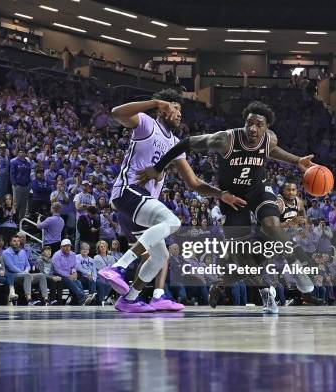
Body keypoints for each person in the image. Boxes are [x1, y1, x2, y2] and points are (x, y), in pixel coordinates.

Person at [137, 100, 321, 314]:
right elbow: (185, 142)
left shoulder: (270, 139)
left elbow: (273, 150)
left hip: (258, 190)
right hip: (232, 198)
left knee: (272, 225)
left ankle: (296, 265)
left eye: (258, 125)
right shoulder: (225, 139)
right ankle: (256, 291)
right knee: (245, 258)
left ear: (266, 128)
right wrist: (158, 168)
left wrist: (298, 160)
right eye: (249, 123)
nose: (252, 128)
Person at [97, 89, 241, 313]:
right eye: (176, 108)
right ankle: (118, 267)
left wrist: (220, 194)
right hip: (128, 191)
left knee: (160, 257)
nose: (179, 113)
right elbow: (116, 113)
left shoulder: (175, 143)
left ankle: (130, 299)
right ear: (163, 108)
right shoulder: (146, 123)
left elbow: (193, 183)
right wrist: (154, 101)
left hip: (142, 205)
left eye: (181, 110)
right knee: (172, 220)